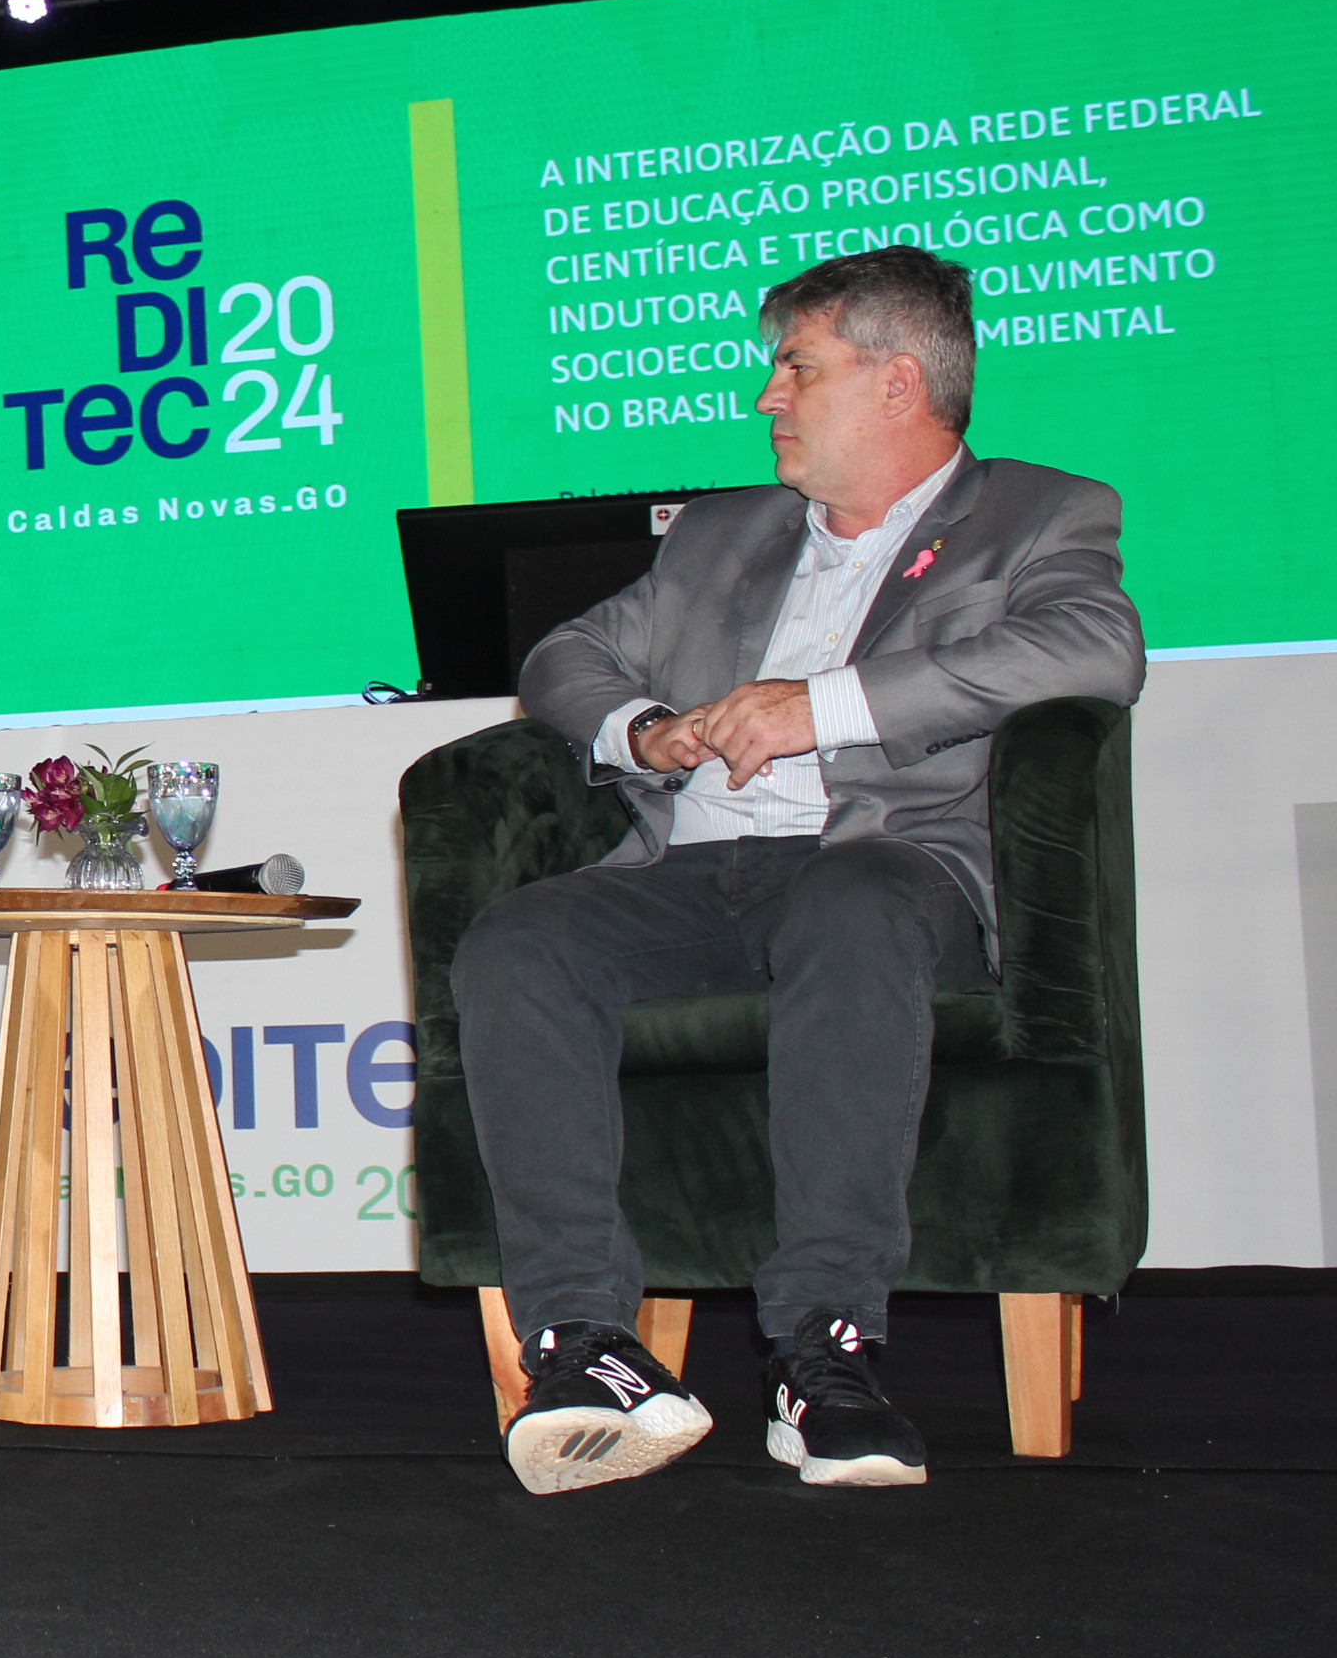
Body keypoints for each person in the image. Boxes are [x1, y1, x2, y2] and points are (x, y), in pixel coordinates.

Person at [456, 246, 1144, 1495]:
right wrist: (641, 730)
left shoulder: (1038, 514)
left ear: (897, 382)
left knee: (850, 902)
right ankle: (588, 1346)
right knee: (522, 938)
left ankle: (823, 1353)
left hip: (889, 866)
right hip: (697, 872)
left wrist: (818, 708)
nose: (768, 396)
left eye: (797, 368)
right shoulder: (721, 534)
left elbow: (1094, 648)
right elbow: (564, 658)